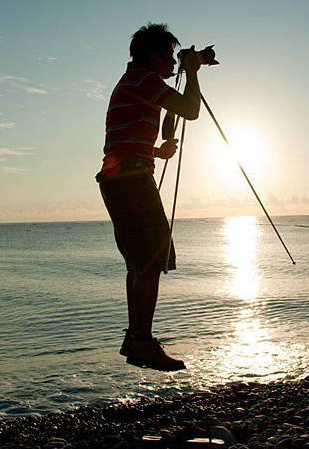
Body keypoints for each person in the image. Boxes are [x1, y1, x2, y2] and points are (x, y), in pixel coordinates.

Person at [96, 23, 201, 371]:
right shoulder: (144, 80)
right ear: (154, 56)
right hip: (130, 182)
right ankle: (142, 342)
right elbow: (190, 109)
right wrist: (193, 72)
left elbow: (121, 142)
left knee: (139, 263)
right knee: (151, 261)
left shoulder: (134, 82)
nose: (172, 62)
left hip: (122, 178)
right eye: (169, 56)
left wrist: (155, 152)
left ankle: (136, 338)